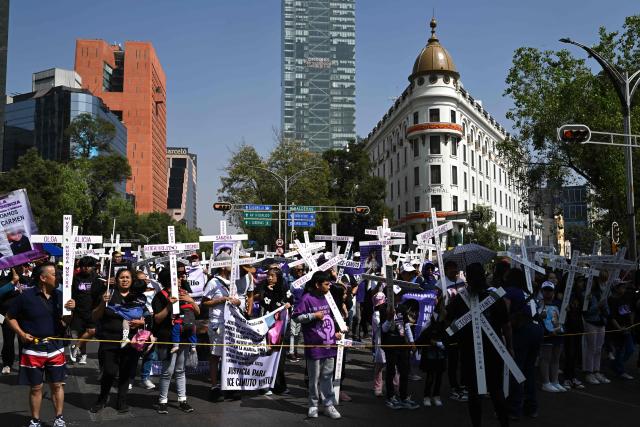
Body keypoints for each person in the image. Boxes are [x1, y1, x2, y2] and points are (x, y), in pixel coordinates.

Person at [5, 262, 75, 427]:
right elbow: (9, 316)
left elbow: (65, 323)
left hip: (55, 346)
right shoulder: (25, 297)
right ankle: (35, 420)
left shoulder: (61, 296)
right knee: (36, 387)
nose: (57, 276)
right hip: (33, 348)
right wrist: (21, 334)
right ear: (43, 278)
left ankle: (59, 418)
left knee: (57, 385)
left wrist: (70, 311)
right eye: (54, 274)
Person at [447, 263, 511, 427]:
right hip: (493, 349)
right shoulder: (495, 296)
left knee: (475, 393)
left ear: (467, 277)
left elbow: (447, 321)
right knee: (496, 390)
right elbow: (506, 325)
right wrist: (509, 347)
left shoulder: (460, 298)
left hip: (470, 351)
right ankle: (504, 423)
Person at [89, 268, 148, 413]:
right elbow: (94, 316)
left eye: (128, 277)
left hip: (130, 341)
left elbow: (147, 316)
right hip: (110, 340)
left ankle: (121, 401)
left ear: (132, 280)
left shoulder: (138, 296)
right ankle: (102, 399)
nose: (125, 280)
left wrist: (142, 323)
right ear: (116, 279)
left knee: (126, 372)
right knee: (109, 371)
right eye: (122, 277)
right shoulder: (109, 293)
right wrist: (103, 303)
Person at [292, 271, 342, 419]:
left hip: (329, 344)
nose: (329, 286)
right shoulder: (307, 299)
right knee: (314, 378)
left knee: (327, 376)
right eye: (326, 284)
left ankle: (328, 405)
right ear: (317, 285)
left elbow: (331, 318)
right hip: (313, 345)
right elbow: (296, 317)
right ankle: (313, 405)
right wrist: (313, 316)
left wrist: (335, 333)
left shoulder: (329, 298)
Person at [152, 264, 198, 414]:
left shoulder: (184, 293)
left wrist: (190, 300)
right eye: (177, 277)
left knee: (180, 370)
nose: (180, 279)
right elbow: (157, 319)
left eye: (179, 277)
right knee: (168, 371)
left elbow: (197, 311)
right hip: (167, 337)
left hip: (184, 336)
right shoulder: (160, 296)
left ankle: (182, 399)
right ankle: (162, 400)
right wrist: (169, 306)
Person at [503, 268, 543, 419]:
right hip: (537, 329)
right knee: (529, 369)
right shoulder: (527, 292)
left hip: (523, 331)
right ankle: (531, 407)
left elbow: (504, 314)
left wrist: (508, 343)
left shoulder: (510, 291)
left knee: (516, 370)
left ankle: (514, 409)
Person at [201, 253, 241, 402]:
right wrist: (221, 300)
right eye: (230, 263)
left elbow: (239, 301)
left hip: (231, 322)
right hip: (217, 323)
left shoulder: (232, 282)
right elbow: (204, 302)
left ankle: (228, 385)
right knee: (215, 355)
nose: (233, 266)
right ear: (223, 265)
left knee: (230, 354)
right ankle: (214, 386)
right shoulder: (213, 282)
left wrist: (236, 302)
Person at [257, 267, 293, 395]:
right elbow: (266, 306)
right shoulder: (264, 289)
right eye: (268, 275)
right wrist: (268, 293)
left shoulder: (285, 289)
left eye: (272, 275)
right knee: (266, 354)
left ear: (278, 277)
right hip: (267, 328)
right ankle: (264, 385)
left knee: (279, 357)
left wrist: (288, 305)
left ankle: (279, 386)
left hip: (281, 328)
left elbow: (290, 302)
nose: (269, 278)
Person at [381, 295, 419, 410]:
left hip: (402, 344)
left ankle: (403, 396)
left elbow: (406, 326)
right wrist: (388, 318)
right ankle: (390, 396)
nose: (397, 297)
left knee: (404, 371)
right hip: (390, 344)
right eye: (395, 295)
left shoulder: (402, 307)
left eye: (398, 295)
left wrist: (412, 342)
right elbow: (383, 329)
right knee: (391, 371)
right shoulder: (384, 308)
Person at [68, 257, 102, 365]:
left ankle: (76, 346)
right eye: (83, 266)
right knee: (81, 333)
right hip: (78, 310)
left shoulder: (97, 279)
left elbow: (99, 295)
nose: (85, 268)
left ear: (93, 267)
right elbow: (71, 293)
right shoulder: (76, 278)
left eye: (88, 266)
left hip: (91, 310)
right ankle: (83, 354)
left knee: (91, 331)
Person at [416, 296, 447, 407]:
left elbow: (449, 338)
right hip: (431, 354)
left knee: (439, 377)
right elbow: (424, 334)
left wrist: (440, 344)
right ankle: (426, 396)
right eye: (443, 307)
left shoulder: (447, 322)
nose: (445, 309)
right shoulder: (433, 320)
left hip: (441, 353)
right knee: (430, 377)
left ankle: (436, 396)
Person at [0, 265, 30, 375]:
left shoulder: (26, 280)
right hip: (7, 316)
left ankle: (24, 363)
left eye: (23, 266)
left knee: (23, 339)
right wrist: (12, 282)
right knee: (8, 341)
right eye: (17, 267)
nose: (21, 268)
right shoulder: (3, 280)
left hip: (23, 316)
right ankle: (7, 363)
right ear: (12, 268)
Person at [538, 281, 566, 392]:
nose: (548, 292)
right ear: (542, 291)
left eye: (550, 290)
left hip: (558, 334)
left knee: (556, 358)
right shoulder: (537, 304)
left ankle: (555, 381)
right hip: (546, 335)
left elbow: (561, 319)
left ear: (553, 292)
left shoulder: (558, 304)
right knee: (546, 358)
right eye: (546, 290)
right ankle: (546, 382)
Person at [582, 277, 610, 385]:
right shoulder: (585, 294)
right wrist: (597, 306)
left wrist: (605, 311)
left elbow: (607, 309)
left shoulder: (601, 293)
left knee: (599, 348)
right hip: (591, 322)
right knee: (591, 348)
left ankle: (596, 371)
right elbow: (586, 312)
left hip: (601, 322)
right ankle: (589, 372)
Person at [608, 280, 635, 379]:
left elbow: (629, 311)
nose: (624, 289)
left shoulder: (624, 298)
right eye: (622, 287)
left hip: (627, 329)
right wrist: (619, 328)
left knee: (630, 349)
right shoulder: (612, 300)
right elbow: (612, 317)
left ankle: (616, 364)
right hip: (618, 330)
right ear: (616, 288)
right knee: (620, 350)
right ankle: (620, 370)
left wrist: (630, 324)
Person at [285, 265, 305, 361]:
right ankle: (291, 351)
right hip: (294, 309)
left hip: (302, 309)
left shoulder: (305, 281)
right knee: (292, 332)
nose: (300, 271)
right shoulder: (291, 281)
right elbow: (288, 296)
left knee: (298, 332)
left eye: (301, 269)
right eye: (298, 269)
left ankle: (295, 350)